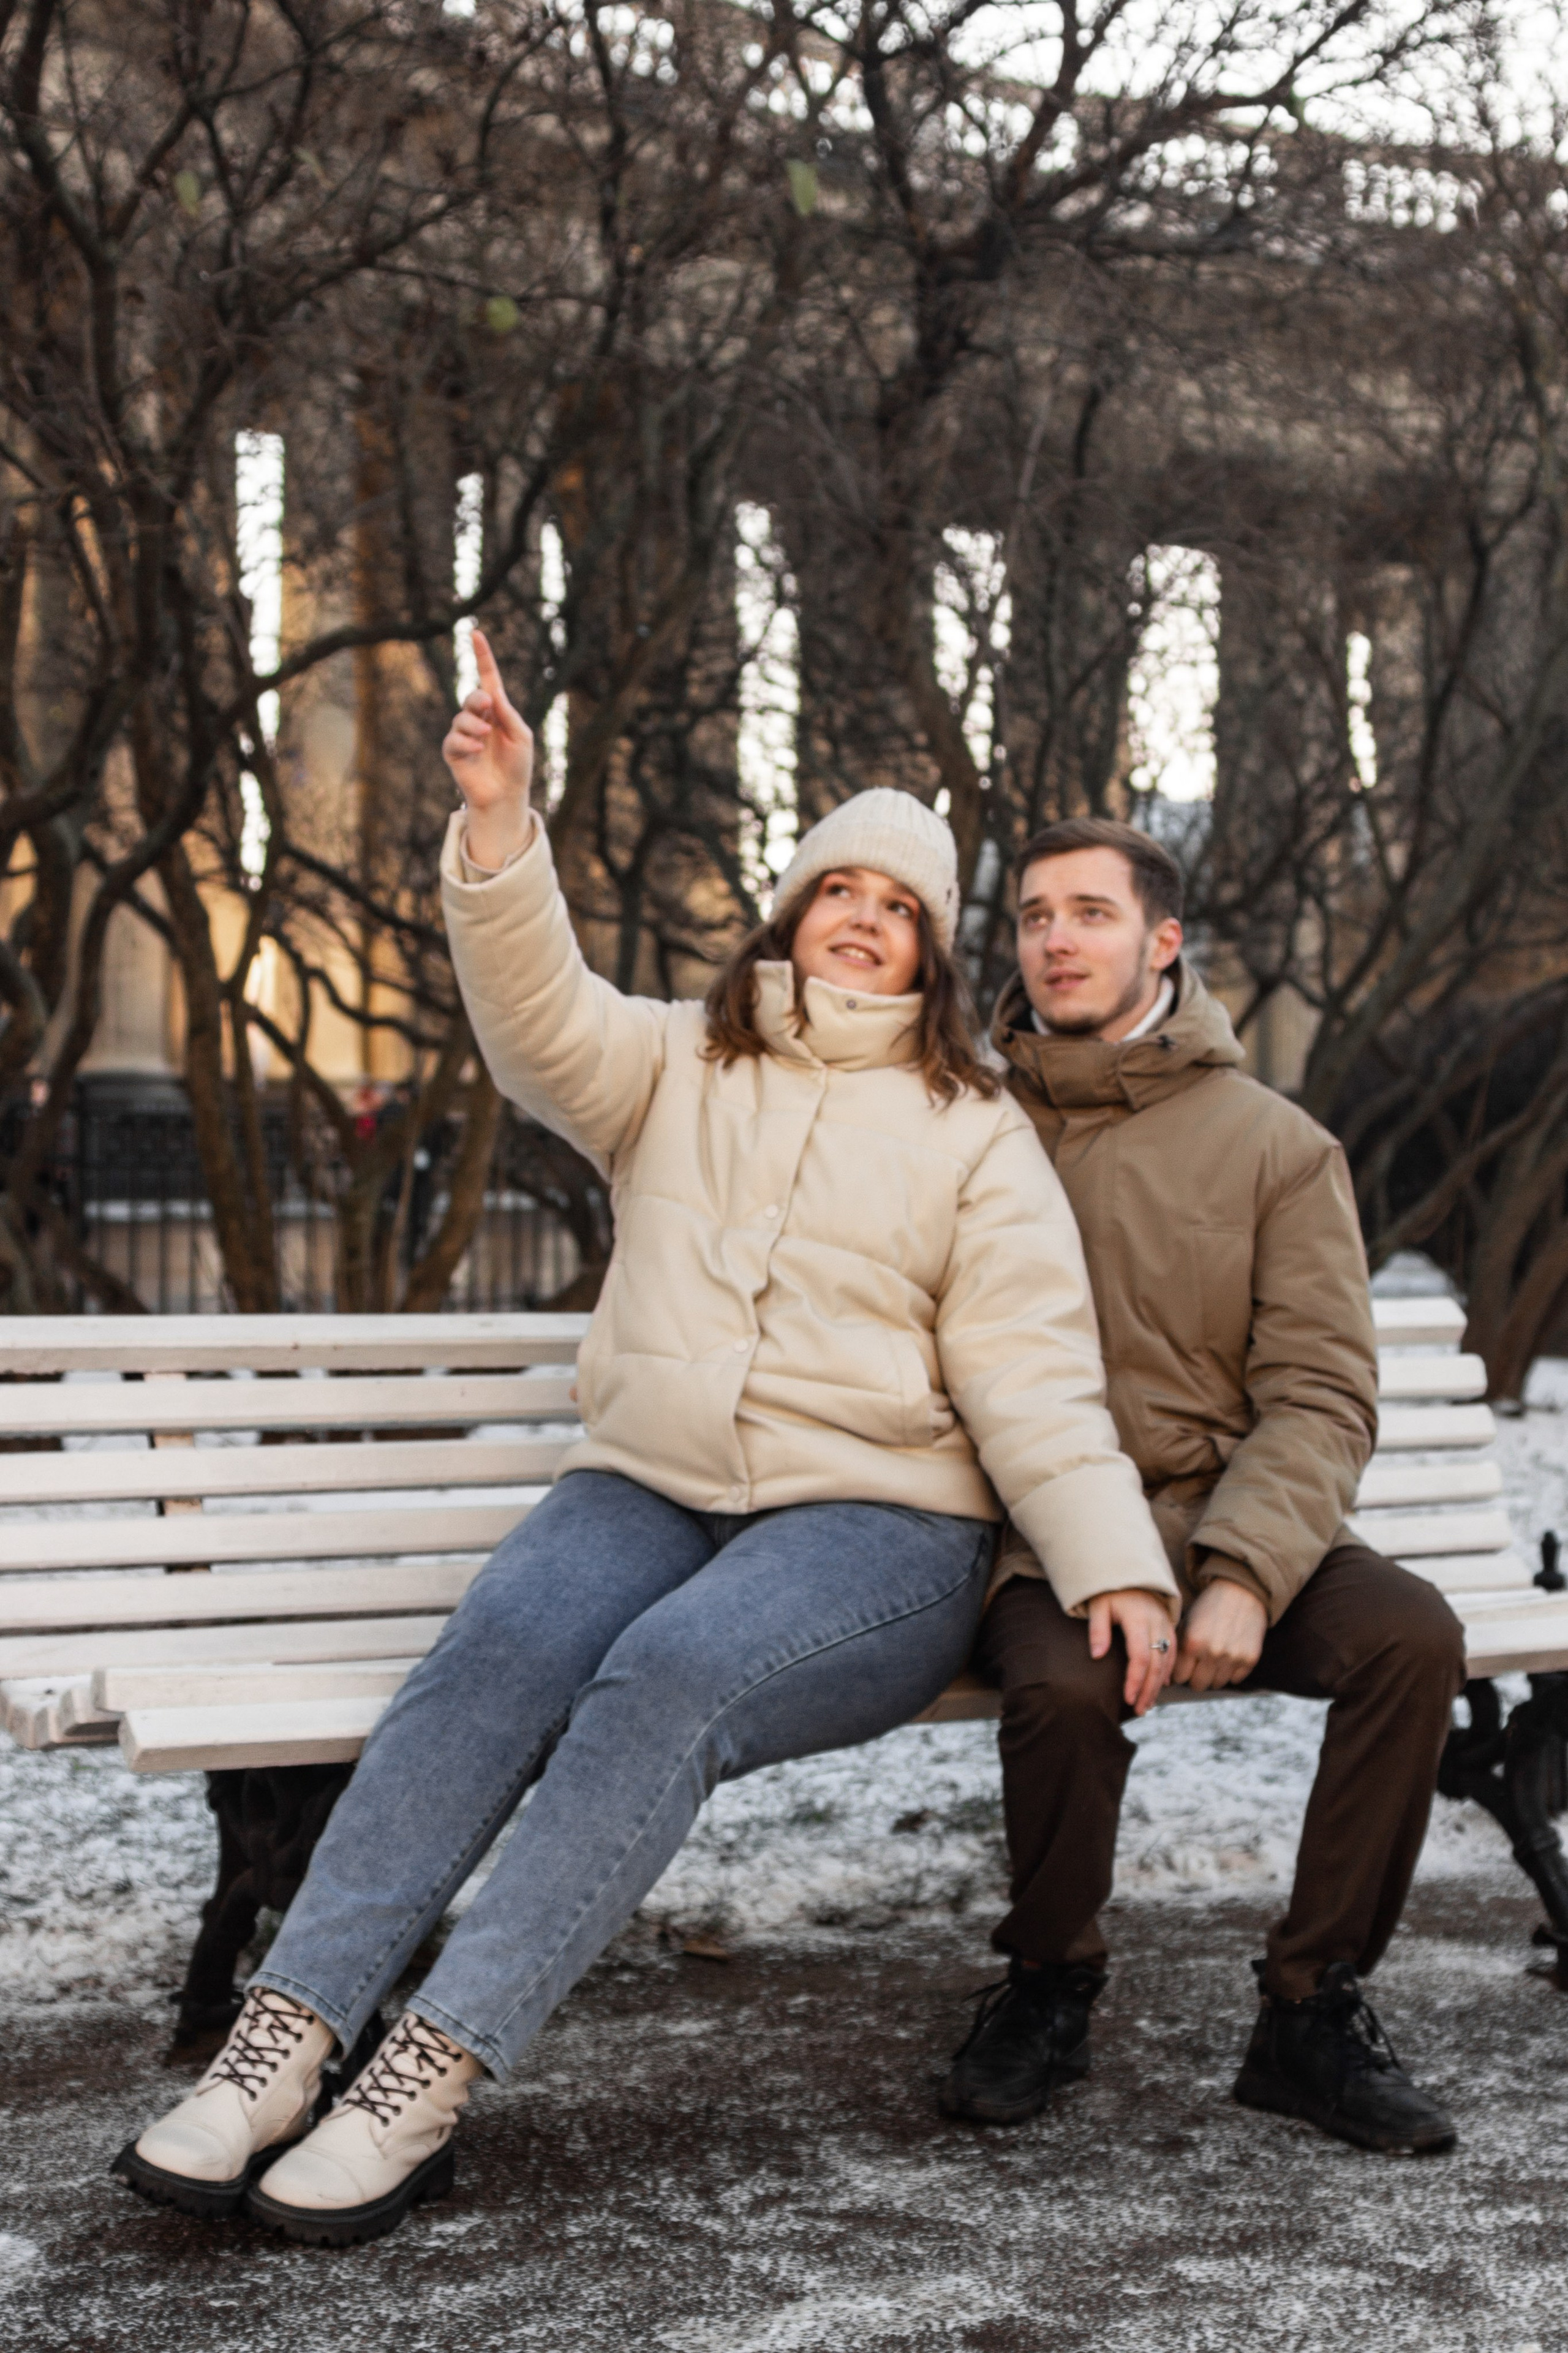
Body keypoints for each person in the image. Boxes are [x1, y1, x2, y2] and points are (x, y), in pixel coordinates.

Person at [114, 644, 1178, 2247]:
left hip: (877, 1523)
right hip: (650, 1483)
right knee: (503, 1640)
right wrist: (499, 827)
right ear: (794, 904)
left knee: (668, 1676)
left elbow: (1034, 1376)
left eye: (900, 903)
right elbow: (536, 1017)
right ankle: (286, 2037)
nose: (865, 917)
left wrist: (1112, 1559)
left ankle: (427, 2070)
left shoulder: (974, 1129)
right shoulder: (683, 1057)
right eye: (841, 888)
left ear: (932, 950)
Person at [940, 816, 1466, 2156]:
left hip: (1226, 1510)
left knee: (1409, 1639)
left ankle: (1308, 2006)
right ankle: (1049, 1984)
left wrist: (1240, 1572)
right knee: (1062, 1686)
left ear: (1160, 941)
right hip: (1042, 1533)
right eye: (1036, 914)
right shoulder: (965, 1118)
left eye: (1091, 914)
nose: (1056, 938)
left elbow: (1321, 1391)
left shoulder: (1273, 1145)